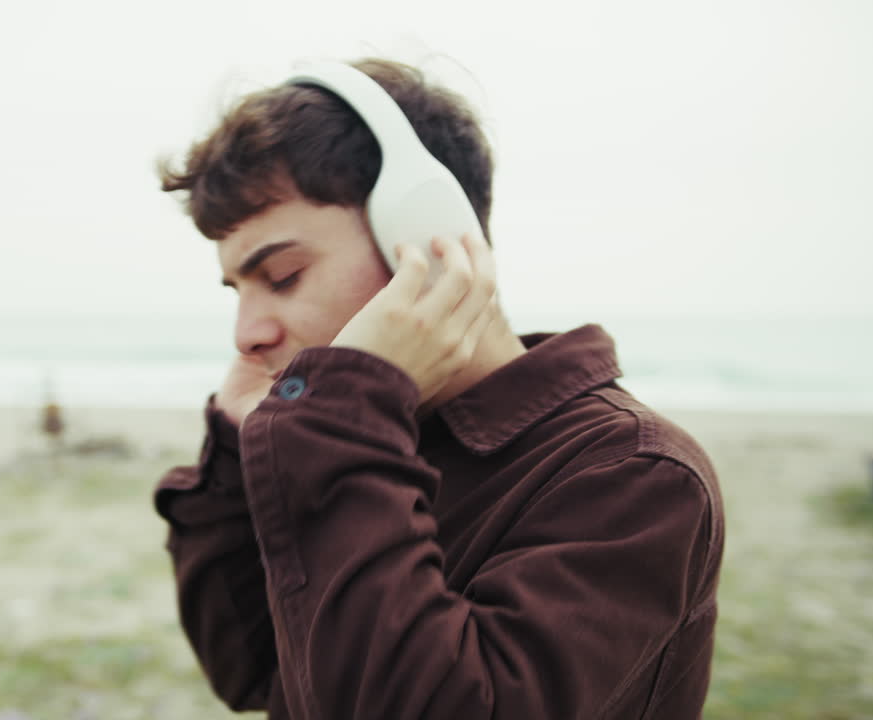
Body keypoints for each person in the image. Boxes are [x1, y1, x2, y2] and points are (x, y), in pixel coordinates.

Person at [152, 57, 724, 719]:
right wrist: (232, 457)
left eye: (281, 276)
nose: (246, 333)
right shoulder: (357, 439)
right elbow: (250, 672)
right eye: (238, 292)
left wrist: (342, 423)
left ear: (426, 240)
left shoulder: (633, 476)